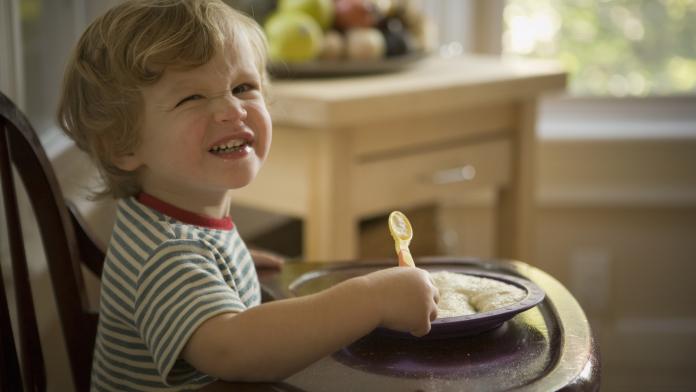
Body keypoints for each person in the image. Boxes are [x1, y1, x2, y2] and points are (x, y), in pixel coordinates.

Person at [57, 0, 439, 390]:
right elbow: (233, 351)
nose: (232, 109)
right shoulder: (167, 255)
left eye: (243, 87)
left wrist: (227, 265)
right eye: (192, 98)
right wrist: (370, 299)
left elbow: (185, 270)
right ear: (122, 145)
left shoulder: (169, 219)